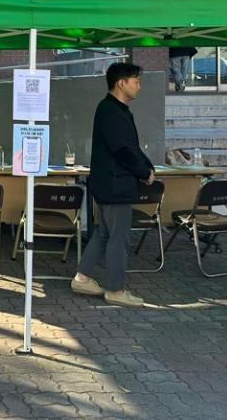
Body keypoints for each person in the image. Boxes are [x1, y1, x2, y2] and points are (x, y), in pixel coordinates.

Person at [72, 62, 154, 307]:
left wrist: (147, 166)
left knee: (105, 232)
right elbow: (123, 150)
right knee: (119, 238)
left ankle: (81, 278)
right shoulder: (111, 111)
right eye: (136, 81)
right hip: (116, 184)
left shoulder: (115, 110)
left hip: (112, 183)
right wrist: (143, 171)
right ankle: (115, 290)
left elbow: (131, 147)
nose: (139, 86)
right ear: (121, 83)